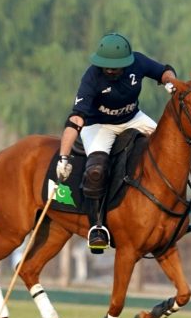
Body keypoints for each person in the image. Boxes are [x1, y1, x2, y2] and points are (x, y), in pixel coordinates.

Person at [56, 32, 177, 254]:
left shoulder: (138, 62)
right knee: (96, 171)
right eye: (106, 66)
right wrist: (63, 157)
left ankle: (175, 210)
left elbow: (164, 71)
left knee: (168, 147)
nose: (110, 70)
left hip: (133, 118)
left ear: (126, 62)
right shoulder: (92, 77)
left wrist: (170, 82)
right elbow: (76, 119)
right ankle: (97, 228)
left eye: (115, 67)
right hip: (98, 125)